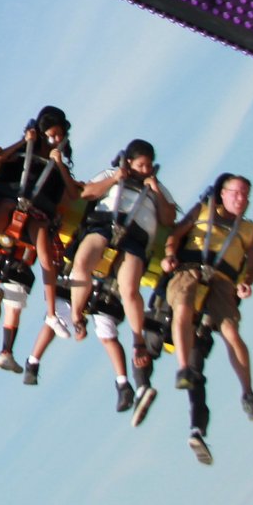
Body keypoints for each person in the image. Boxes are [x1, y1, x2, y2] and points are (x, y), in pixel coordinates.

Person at [54, 139, 177, 412]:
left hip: (136, 236)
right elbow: (86, 193)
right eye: (139, 164)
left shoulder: (155, 187)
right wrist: (114, 180)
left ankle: (138, 342)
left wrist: (155, 189)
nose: (144, 169)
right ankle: (76, 314)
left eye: (148, 165)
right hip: (105, 225)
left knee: (129, 288)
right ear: (129, 162)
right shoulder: (112, 175)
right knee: (82, 264)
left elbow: (168, 218)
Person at [162, 173, 253, 450]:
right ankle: (184, 369)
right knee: (183, 306)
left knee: (231, 330)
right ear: (222, 193)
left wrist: (246, 283)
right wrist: (170, 254)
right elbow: (177, 234)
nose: (241, 200)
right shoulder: (203, 210)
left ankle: (248, 394)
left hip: (223, 280)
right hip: (190, 270)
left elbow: (252, 265)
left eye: (245, 195)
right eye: (236, 193)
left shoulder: (250, 230)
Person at [0, 106, 78, 321]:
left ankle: (51, 313)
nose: (56, 138)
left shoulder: (59, 160)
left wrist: (58, 162)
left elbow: (73, 193)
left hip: (38, 209)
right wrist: (24, 141)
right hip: (12, 197)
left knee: (46, 257)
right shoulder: (26, 148)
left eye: (59, 135)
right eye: (52, 134)